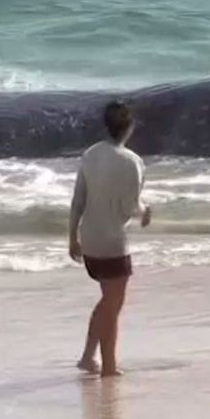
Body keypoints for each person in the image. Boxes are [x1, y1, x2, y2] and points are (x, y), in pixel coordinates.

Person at [68, 100, 151, 377]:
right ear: (130, 127)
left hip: (89, 239)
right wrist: (144, 211)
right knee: (112, 305)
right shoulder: (133, 162)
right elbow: (130, 207)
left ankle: (88, 358)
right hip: (113, 243)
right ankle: (110, 368)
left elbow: (78, 199)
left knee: (107, 301)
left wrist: (72, 238)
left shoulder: (91, 155)